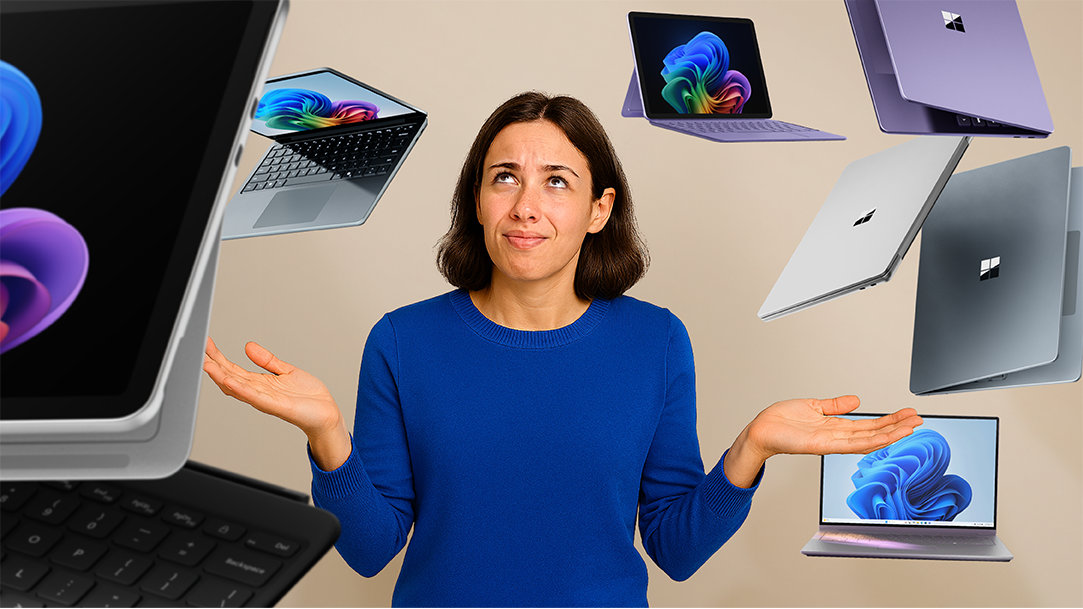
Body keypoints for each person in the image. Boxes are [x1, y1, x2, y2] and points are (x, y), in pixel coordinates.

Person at [203, 92, 922, 607]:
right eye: (503, 177)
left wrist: (749, 449)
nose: (525, 206)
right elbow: (368, 549)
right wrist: (328, 437)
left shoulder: (655, 340)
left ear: (597, 209)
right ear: (477, 201)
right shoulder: (403, 340)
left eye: (557, 182)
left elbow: (673, 548)